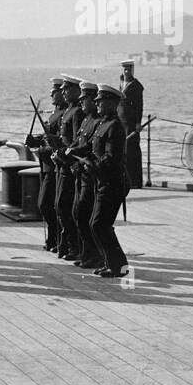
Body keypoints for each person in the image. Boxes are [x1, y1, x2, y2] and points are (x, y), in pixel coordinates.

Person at [90, 84, 131, 277]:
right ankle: (111, 264)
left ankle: (119, 266)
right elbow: (95, 151)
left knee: (100, 224)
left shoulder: (115, 126)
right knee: (97, 224)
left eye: (100, 102)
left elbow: (111, 158)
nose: (97, 104)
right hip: (103, 180)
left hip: (113, 182)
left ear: (111, 104)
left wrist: (93, 165)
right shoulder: (102, 123)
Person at [68, 81, 103, 269]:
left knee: (84, 214)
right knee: (78, 213)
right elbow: (77, 143)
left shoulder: (98, 122)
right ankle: (87, 253)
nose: (81, 103)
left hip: (91, 176)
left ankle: (95, 255)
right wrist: (68, 151)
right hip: (81, 173)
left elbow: (90, 148)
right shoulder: (85, 120)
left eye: (84, 99)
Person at [30, 76, 66, 252]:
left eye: (55, 91)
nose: (51, 93)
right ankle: (53, 239)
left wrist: (46, 143)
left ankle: (58, 239)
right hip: (45, 165)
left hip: (54, 166)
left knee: (47, 204)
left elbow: (60, 140)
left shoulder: (63, 115)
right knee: (46, 204)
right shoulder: (54, 113)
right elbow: (46, 137)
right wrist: (35, 140)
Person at [53, 75, 86, 260]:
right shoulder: (67, 112)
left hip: (69, 165)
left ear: (75, 91)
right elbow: (62, 137)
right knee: (59, 206)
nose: (63, 92)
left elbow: (75, 141)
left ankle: (75, 247)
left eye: (66, 89)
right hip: (61, 164)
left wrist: (65, 153)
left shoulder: (77, 113)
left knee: (66, 207)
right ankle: (66, 244)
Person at [119, 58, 145, 188]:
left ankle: (135, 181)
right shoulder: (121, 83)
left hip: (131, 122)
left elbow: (139, 106)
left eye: (128, 69)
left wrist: (138, 123)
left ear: (132, 70)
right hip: (121, 122)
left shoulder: (136, 86)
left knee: (132, 150)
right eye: (124, 69)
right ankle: (125, 179)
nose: (126, 71)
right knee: (122, 150)